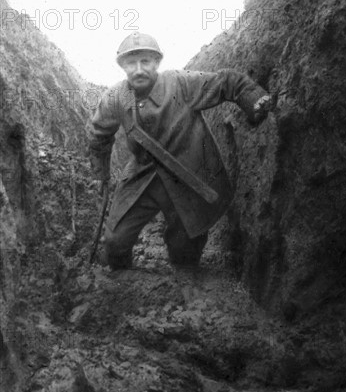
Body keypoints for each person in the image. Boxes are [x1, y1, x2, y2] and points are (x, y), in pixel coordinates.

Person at [87, 32, 271, 270]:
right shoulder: (114, 97)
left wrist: (253, 99)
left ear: (157, 63)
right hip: (142, 177)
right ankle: (122, 284)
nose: (139, 69)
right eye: (131, 63)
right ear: (123, 67)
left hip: (187, 176)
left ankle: (186, 282)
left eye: (146, 61)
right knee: (114, 242)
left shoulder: (180, 83)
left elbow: (226, 82)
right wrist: (101, 174)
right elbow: (99, 135)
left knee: (185, 253)